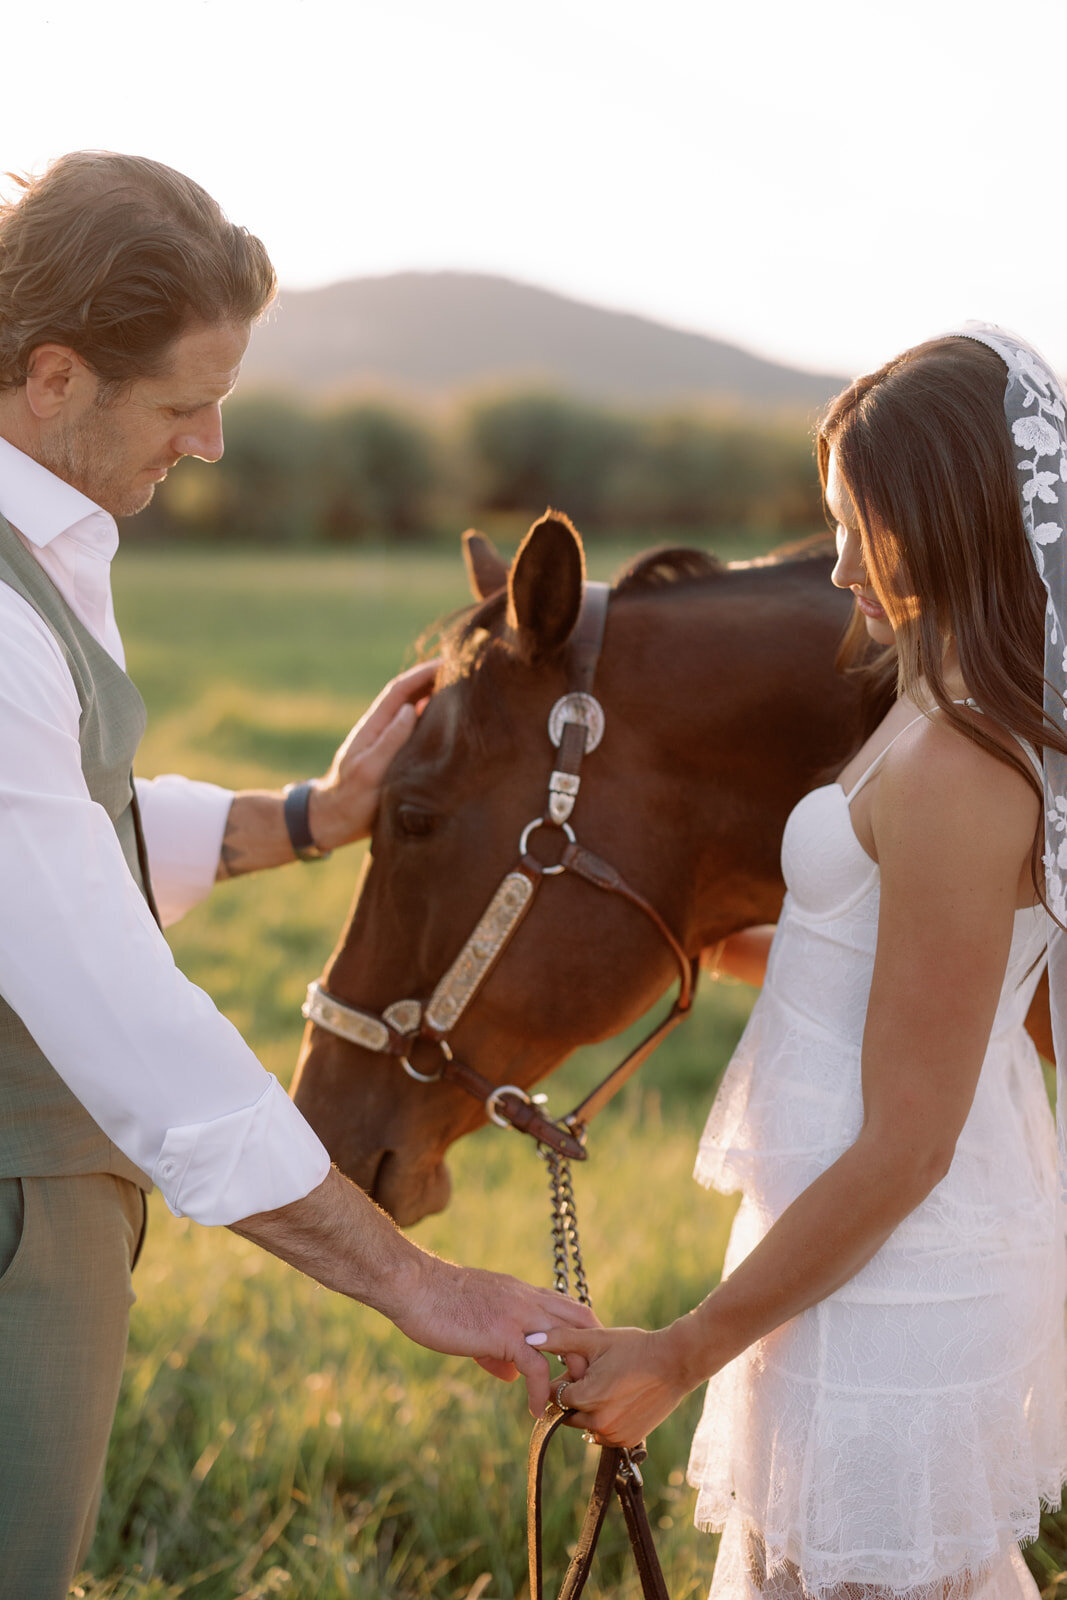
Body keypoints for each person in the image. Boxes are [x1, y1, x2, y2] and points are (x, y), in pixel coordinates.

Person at [0, 150, 594, 1600]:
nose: (208, 443)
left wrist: (311, 817)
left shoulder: (44, 551)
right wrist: (418, 1285)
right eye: (183, 404)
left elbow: (62, 828)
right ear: (55, 375)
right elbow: (107, 992)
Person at [534, 325, 1067, 1600]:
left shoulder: (958, 765)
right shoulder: (929, 712)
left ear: (943, 519)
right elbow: (925, 959)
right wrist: (738, 947)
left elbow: (907, 1141)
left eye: (856, 523)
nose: (831, 561)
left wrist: (678, 1351)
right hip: (839, 1243)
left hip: (888, 1264)